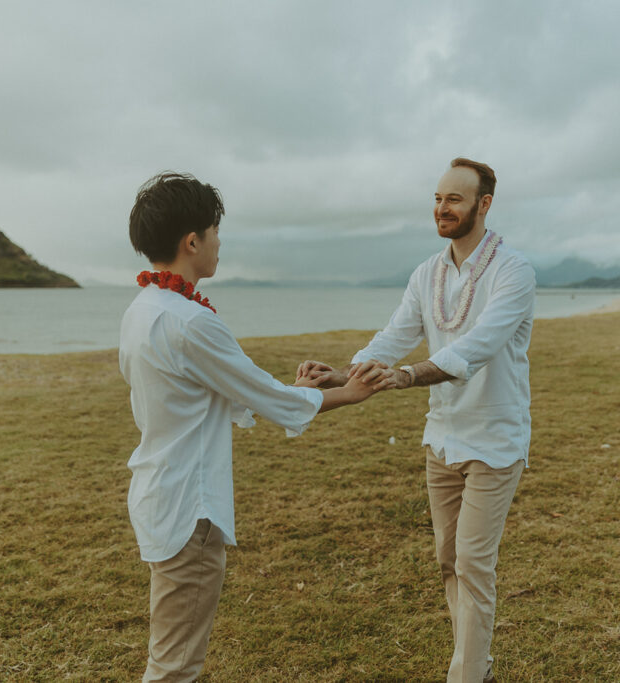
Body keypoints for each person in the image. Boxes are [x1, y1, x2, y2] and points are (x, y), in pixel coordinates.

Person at [120, 171, 392, 682]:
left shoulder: (142, 311)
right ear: (193, 240)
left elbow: (211, 393)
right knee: (175, 666)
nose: (220, 242)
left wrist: (288, 390)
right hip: (188, 507)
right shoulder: (189, 321)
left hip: (158, 494)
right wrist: (349, 392)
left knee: (171, 655)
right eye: (215, 231)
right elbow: (265, 398)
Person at [298, 158, 536, 683]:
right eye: (437, 198)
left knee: (474, 562)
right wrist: (343, 375)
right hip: (442, 439)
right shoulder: (426, 273)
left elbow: (480, 345)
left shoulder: (514, 270)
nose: (441, 208)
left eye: (454, 199)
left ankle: (467, 674)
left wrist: (407, 377)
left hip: (495, 439)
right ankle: (478, 665)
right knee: (448, 560)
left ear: (484, 204)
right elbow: (396, 334)